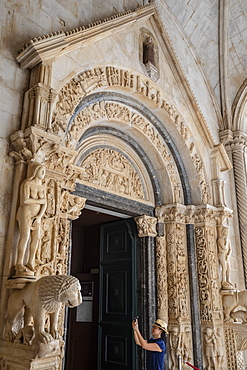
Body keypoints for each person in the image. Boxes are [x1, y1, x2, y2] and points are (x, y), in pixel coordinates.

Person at [15, 164, 47, 275]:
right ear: (35, 171)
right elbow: (24, 201)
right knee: (25, 236)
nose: (44, 174)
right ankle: (19, 263)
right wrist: (39, 201)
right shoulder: (27, 183)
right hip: (25, 212)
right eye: (42, 171)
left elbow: (45, 204)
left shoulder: (43, 187)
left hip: (37, 215)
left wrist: (39, 217)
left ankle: (30, 262)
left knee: (36, 238)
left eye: (44, 171)